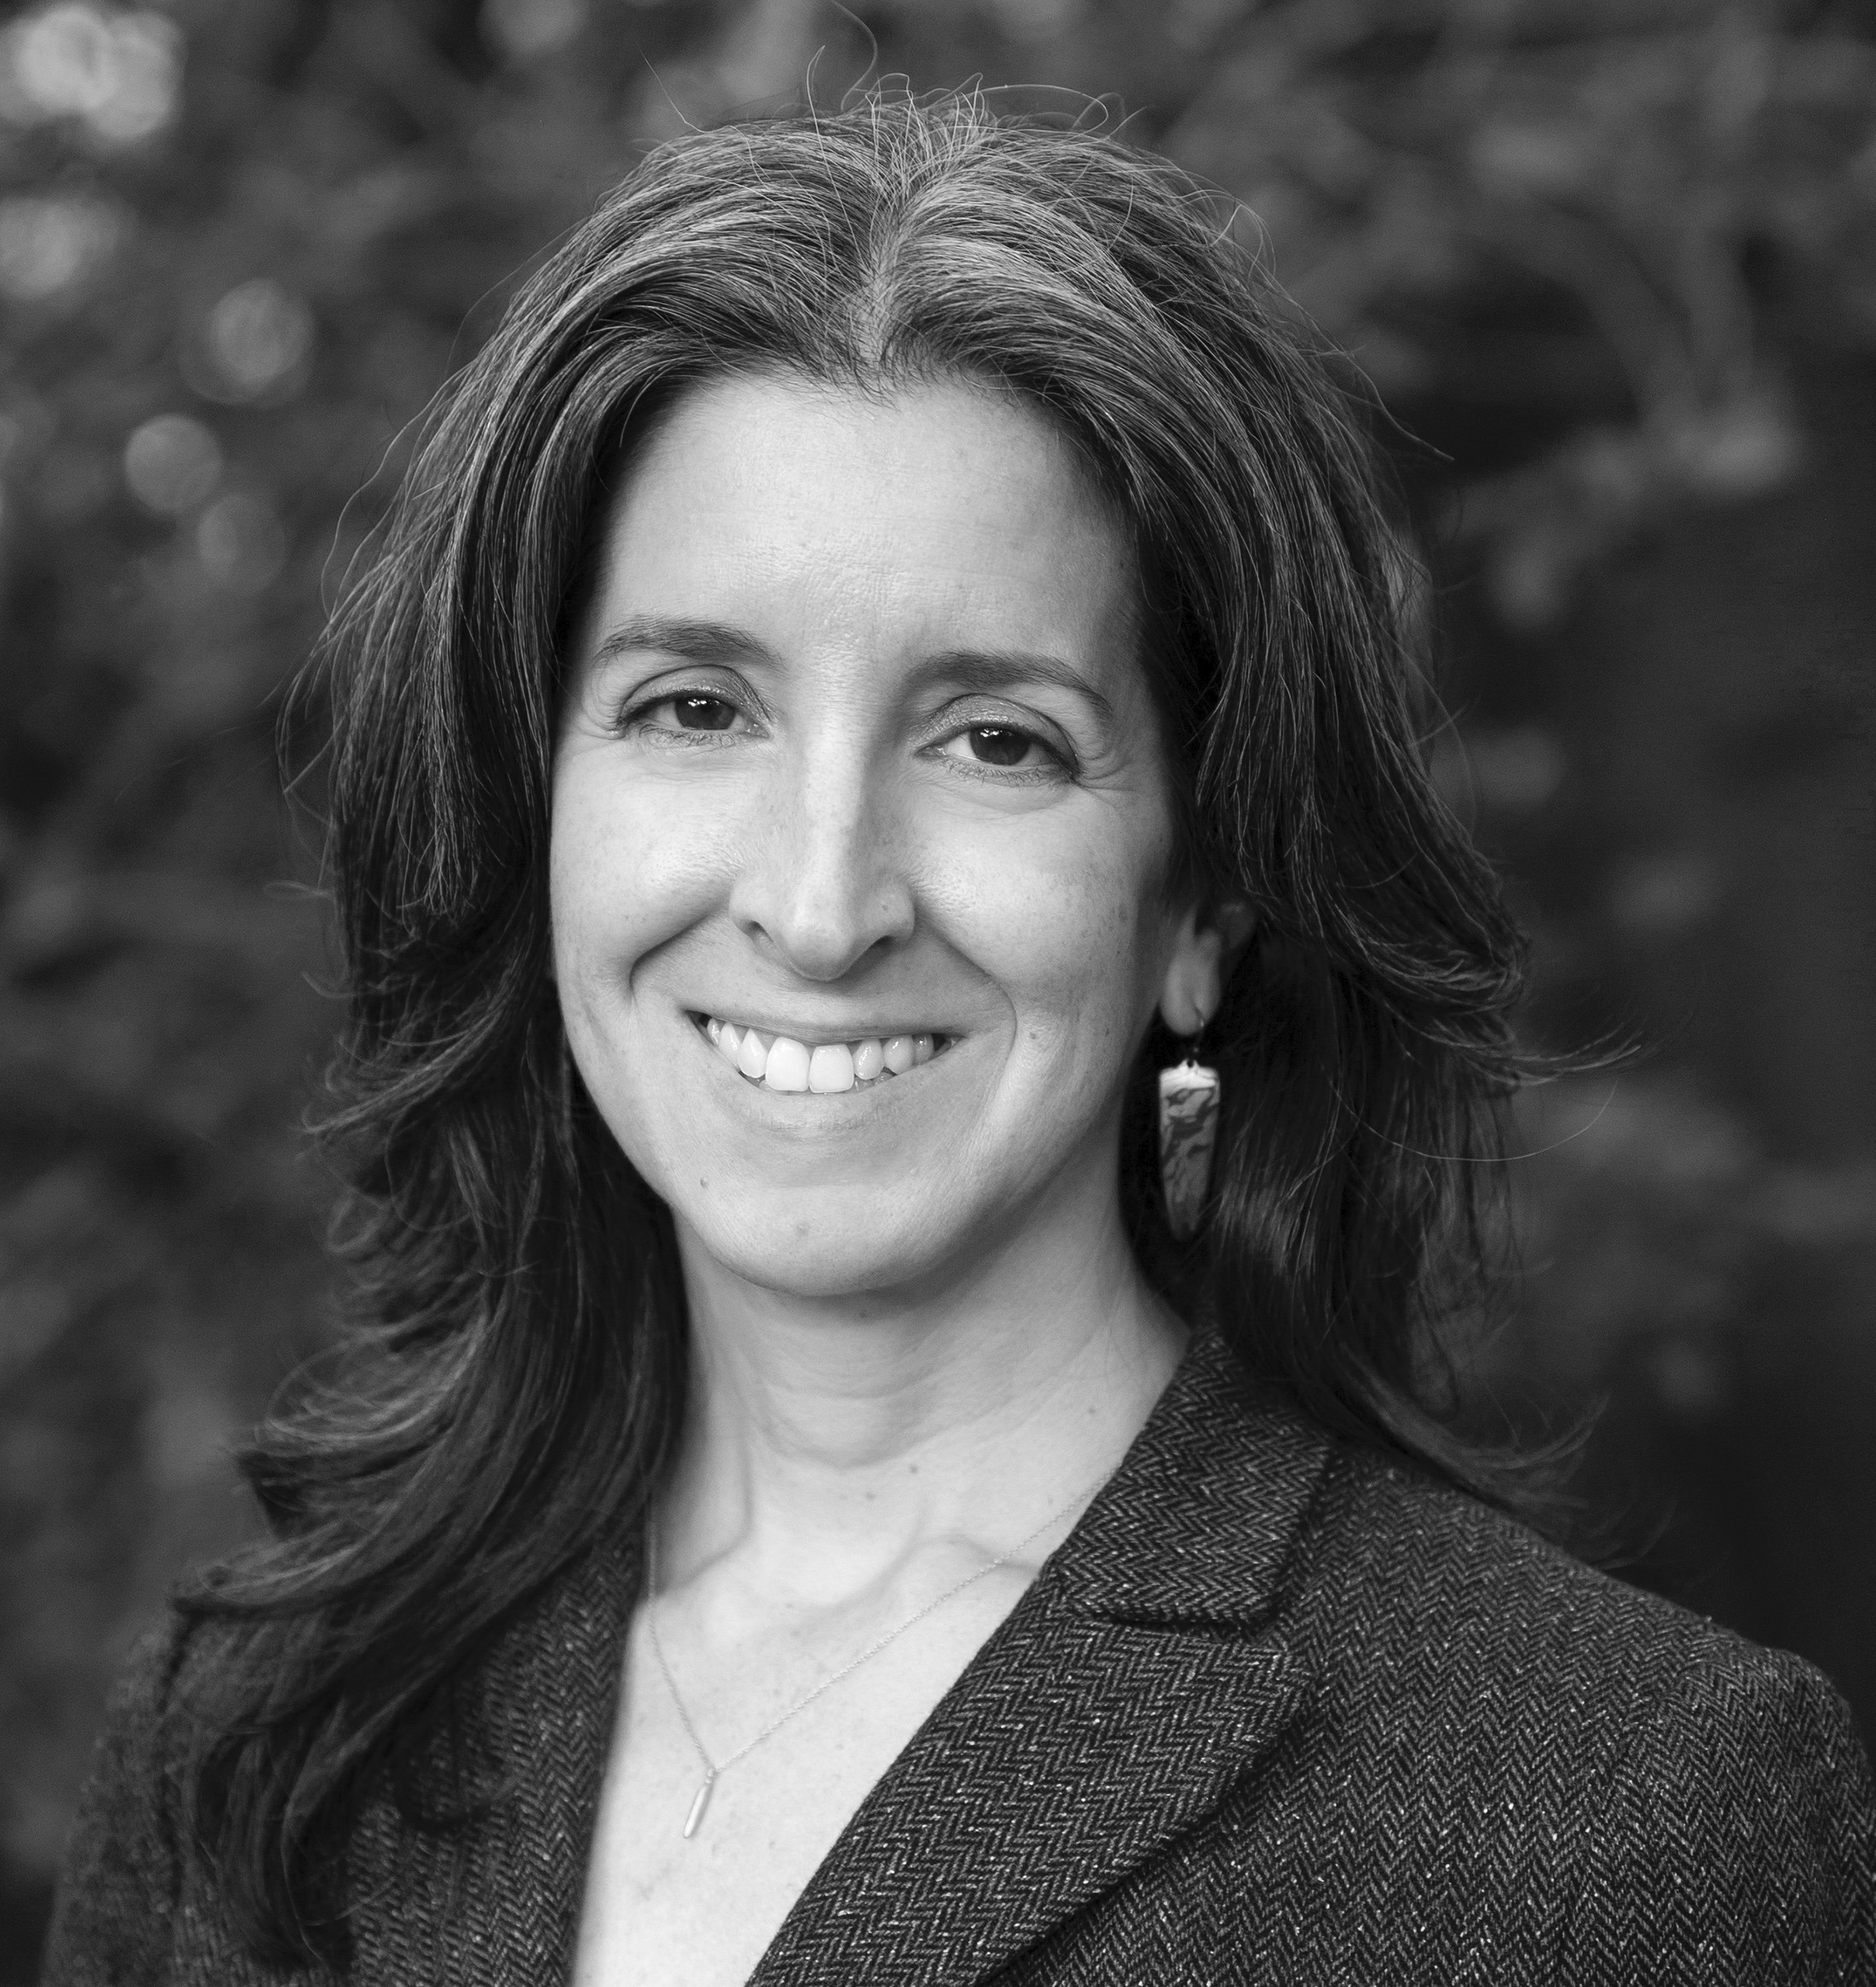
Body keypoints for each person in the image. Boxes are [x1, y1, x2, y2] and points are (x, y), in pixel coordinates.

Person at [42, 89, 1874, 1987]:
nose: (823, 906)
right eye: (694, 706)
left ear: (1201, 903)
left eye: (994, 738)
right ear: (539, 803)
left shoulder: (1604, 1819)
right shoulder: (260, 1730)